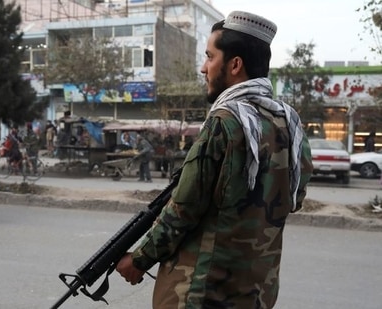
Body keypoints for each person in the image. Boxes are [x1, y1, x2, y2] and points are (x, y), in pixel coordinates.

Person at [115, 11, 313, 308]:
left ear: (235, 65)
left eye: (210, 57)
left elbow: (184, 209)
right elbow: (294, 199)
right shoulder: (289, 124)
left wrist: (139, 259)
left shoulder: (225, 122)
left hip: (203, 292)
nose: (203, 68)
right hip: (256, 292)